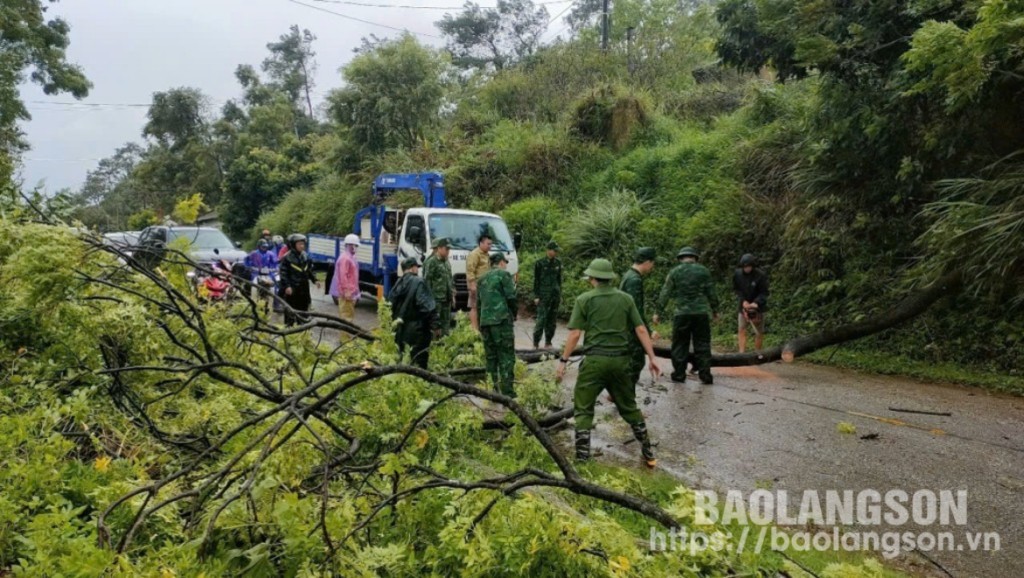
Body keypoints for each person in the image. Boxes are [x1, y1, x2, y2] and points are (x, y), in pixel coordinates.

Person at [556, 258, 661, 468]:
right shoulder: (625, 299)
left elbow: (575, 334)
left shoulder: (584, 299)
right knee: (629, 407)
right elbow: (640, 329)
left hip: (594, 362)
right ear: (610, 278)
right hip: (621, 362)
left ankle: (582, 459)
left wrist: (563, 361)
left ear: (592, 278)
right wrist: (652, 357)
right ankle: (649, 453)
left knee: (583, 408)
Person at [658, 246, 719, 385]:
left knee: (680, 345)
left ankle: (679, 374)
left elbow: (665, 292)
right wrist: (715, 310)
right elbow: (712, 293)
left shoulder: (674, 272)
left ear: (680, 258)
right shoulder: (704, 271)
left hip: (682, 314)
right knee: (702, 344)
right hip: (701, 313)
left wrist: (658, 312)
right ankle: (705, 375)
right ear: (695, 257)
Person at [478, 252, 518, 397]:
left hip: (485, 323)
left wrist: (480, 324)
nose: (506, 265)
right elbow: (511, 297)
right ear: (501, 262)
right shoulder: (504, 275)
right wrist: (514, 313)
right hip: (501, 321)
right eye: (505, 262)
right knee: (506, 356)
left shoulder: (481, 279)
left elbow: (479, 303)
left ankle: (492, 391)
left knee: (491, 357)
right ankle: (508, 393)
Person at [389, 257, 439, 369]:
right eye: (417, 267)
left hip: (400, 330)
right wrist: (435, 325)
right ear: (413, 268)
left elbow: (389, 304)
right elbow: (427, 306)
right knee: (418, 362)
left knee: (403, 360)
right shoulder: (419, 282)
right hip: (418, 330)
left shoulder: (398, 283)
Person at [620, 247, 660, 387]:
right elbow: (636, 311)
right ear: (647, 262)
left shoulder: (628, 275)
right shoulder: (634, 280)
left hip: (626, 327)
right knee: (636, 362)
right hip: (631, 330)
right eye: (653, 262)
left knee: (632, 362)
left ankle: (618, 395)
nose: (653, 266)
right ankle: (624, 399)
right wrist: (647, 333)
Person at [279, 234, 319, 326]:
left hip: (304, 288)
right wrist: (287, 286)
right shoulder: (287, 257)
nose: (302, 246)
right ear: (293, 245)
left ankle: (302, 328)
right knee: (291, 309)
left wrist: (315, 280)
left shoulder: (306, 256)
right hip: (292, 288)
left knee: (304, 309)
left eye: (303, 244)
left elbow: (310, 270)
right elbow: (283, 274)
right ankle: (289, 328)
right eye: (299, 244)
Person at [733, 253, 769, 353]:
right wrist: (743, 301)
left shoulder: (760, 275)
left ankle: (757, 353)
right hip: (743, 306)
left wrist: (756, 303)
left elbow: (764, 293)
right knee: (742, 329)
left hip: (757, 307)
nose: (746, 268)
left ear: (752, 266)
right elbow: (737, 290)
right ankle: (741, 353)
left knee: (758, 332)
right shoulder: (737, 274)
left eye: (748, 266)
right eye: (744, 266)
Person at [532, 241, 563, 349]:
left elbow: (559, 280)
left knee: (552, 321)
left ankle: (548, 342)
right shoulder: (540, 263)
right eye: (554, 250)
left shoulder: (558, 263)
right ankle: (536, 343)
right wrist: (536, 296)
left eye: (556, 251)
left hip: (555, 295)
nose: (555, 253)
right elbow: (536, 281)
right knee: (541, 320)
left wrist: (560, 294)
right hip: (543, 295)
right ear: (548, 250)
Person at [423, 237, 455, 336]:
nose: (448, 251)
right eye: (446, 249)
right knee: (435, 324)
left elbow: (449, 278)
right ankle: (433, 346)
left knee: (446, 323)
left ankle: (445, 344)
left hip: (446, 298)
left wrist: (452, 295)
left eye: (449, 249)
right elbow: (426, 281)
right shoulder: (431, 262)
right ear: (439, 248)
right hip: (436, 299)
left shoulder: (446, 261)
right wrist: (429, 300)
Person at [465, 233, 493, 331]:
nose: (490, 246)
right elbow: (470, 270)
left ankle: (481, 327)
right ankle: (474, 329)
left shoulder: (486, 255)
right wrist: (472, 284)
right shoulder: (475, 254)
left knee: (482, 307)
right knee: (474, 307)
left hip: (485, 286)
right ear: (481, 243)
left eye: (491, 244)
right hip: (476, 285)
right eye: (488, 244)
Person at [331, 234, 361, 322]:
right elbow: (343, 276)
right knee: (346, 318)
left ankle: (347, 335)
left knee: (349, 316)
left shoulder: (351, 257)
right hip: (346, 293)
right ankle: (345, 336)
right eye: (355, 246)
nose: (356, 248)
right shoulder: (345, 258)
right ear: (350, 246)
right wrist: (346, 291)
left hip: (351, 292)